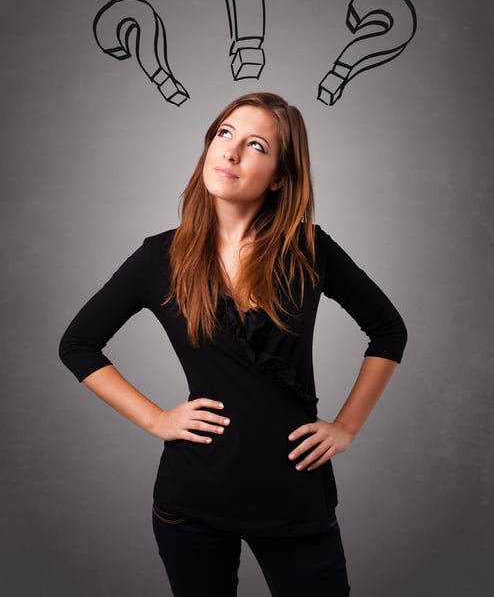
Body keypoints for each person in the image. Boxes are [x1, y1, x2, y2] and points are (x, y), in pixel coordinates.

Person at [59, 92, 407, 596]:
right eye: (224, 134)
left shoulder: (310, 251)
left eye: (256, 145)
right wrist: (156, 419)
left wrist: (347, 426)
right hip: (192, 501)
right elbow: (78, 344)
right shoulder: (159, 257)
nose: (231, 152)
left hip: (294, 499)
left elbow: (389, 331)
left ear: (281, 176)